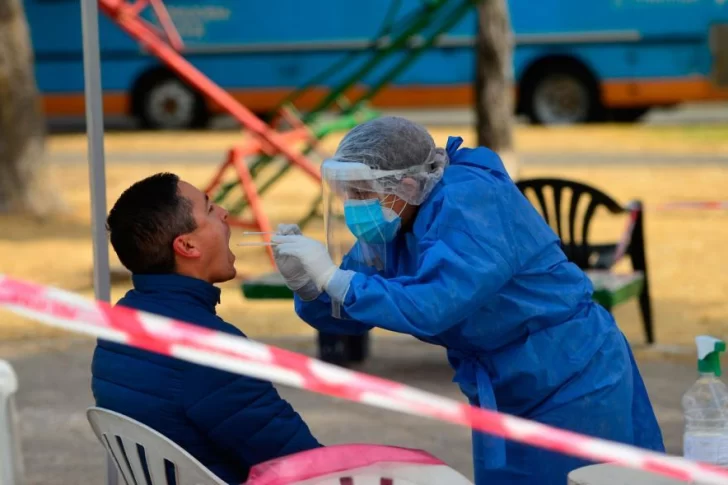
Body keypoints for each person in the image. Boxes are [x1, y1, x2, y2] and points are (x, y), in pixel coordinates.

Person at [271, 117, 665, 485]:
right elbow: (352, 311)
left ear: (406, 185)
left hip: (572, 377)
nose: (353, 205)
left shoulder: (472, 203)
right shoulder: (394, 223)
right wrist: (311, 289)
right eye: (347, 194)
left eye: (361, 193)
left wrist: (335, 279)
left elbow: (433, 305)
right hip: (502, 386)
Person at [91, 173, 320, 484]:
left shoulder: (122, 323)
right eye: (210, 209)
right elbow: (306, 466)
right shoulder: (210, 349)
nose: (225, 212)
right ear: (187, 245)